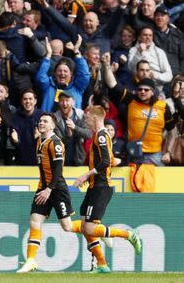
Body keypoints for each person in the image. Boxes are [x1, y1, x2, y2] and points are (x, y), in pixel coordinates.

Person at [73, 105, 142, 273]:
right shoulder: (99, 135)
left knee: (89, 228)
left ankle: (129, 235)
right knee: (84, 226)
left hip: (102, 187)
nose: (86, 121)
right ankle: (102, 264)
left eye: (87, 118)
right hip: (94, 186)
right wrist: (89, 178)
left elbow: (105, 162)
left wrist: (85, 175)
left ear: (95, 117)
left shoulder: (102, 136)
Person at [16, 112, 75, 273]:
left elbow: (58, 170)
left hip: (56, 189)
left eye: (45, 121)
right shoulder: (40, 141)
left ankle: (95, 230)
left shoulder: (55, 143)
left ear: (53, 125)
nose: (41, 123)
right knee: (34, 221)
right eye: (40, 121)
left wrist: (49, 189)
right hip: (43, 188)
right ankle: (31, 261)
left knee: (67, 226)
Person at [104, 55, 176, 166]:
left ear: (152, 92)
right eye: (140, 89)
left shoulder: (163, 106)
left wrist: (168, 152)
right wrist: (106, 65)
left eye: (146, 90)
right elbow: (112, 84)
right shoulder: (131, 100)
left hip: (155, 155)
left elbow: (172, 131)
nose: (142, 92)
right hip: (134, 153)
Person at [35, 35, 90, 112]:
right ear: (54, 73)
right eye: (59, 70)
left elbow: (85, 75)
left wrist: (77, 52)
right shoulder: (48, 86)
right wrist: (48, 56)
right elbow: (41, 78)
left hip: (72, 123)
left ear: (71, 74)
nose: (62, 73)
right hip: (49, 122)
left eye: (65, 71)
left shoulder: (77, 87)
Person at [128, 26, 173, 96]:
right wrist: (139, 53)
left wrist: (155, 75)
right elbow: (132, 70)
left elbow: (169, 75)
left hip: (156, 87)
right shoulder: (133, 50)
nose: (148, 37)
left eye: (150, 35)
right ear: (139, 37)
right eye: (145, 35)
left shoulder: (159, 52)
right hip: (138, 86)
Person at [53, 91, 92, 166]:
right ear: (58, 103)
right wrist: (68, 136)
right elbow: (57, 141)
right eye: (61, 100)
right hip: (60, 161)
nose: (64, 103)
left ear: (73, 102)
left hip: (78, 160)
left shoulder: (81, 115)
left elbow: (89, 134)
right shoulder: (54, 118)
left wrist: (75, 128)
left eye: (67, 100)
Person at [10, 89, 42, 165]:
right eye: (25, 99)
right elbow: (15, 141)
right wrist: (15, 141)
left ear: (35, 101)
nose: (28, 101)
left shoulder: (42, 116)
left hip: (39, 160)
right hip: (21, 160)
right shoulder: (15, 117)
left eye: (30, 99)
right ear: (21, 102)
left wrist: (39, 138)